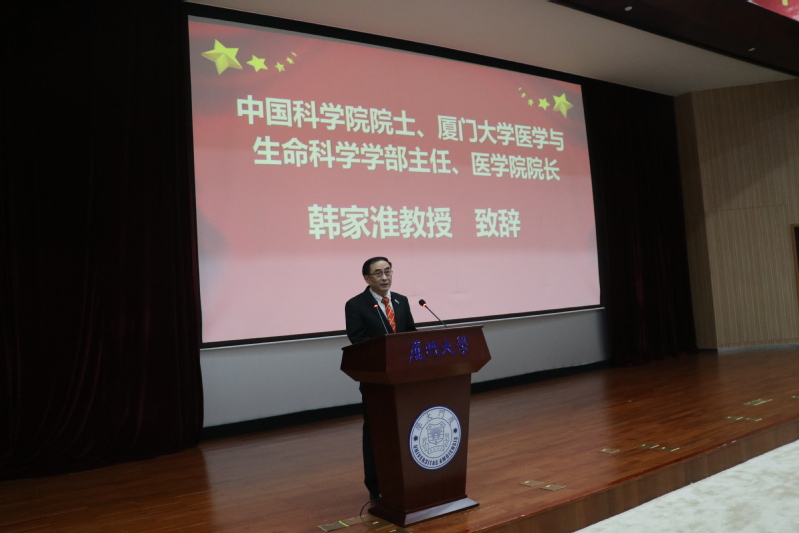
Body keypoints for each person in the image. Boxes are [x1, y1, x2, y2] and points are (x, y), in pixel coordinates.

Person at [345, 257, 417, 501]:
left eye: (388, 271)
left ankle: (409, 479)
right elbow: (358, 341)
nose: (384, 277)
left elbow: (411, 335)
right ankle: (376, 486)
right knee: (376, 433)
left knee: (407, 430)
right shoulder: (356, 305)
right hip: (377, 383)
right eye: (378, 273)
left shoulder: (401, 301)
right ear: (367, 278)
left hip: (405, 381)